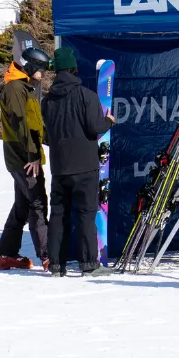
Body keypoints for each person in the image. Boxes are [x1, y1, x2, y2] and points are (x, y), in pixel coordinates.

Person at [40, 46, 114, 277]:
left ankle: (55, 265)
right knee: (85, 214)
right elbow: (95, 127)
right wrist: (109, 120)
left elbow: (47, 136)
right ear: (74, 68)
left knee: (59, 215)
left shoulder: (47, 101)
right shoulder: (87, 96)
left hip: (60, 167)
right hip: (85, 166)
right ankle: (89, 264)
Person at [0, 64, 49, 271]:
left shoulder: (24, 87)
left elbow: (35, 126)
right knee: (37, 202)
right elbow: (20, 124)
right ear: (31, 67)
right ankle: (47, 256)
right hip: (24, 157)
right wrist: (32, 154)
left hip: (24, 155)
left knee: (23, 206)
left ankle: (6, 254)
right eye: (40, 68)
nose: (42, 73)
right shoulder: (15, 88)